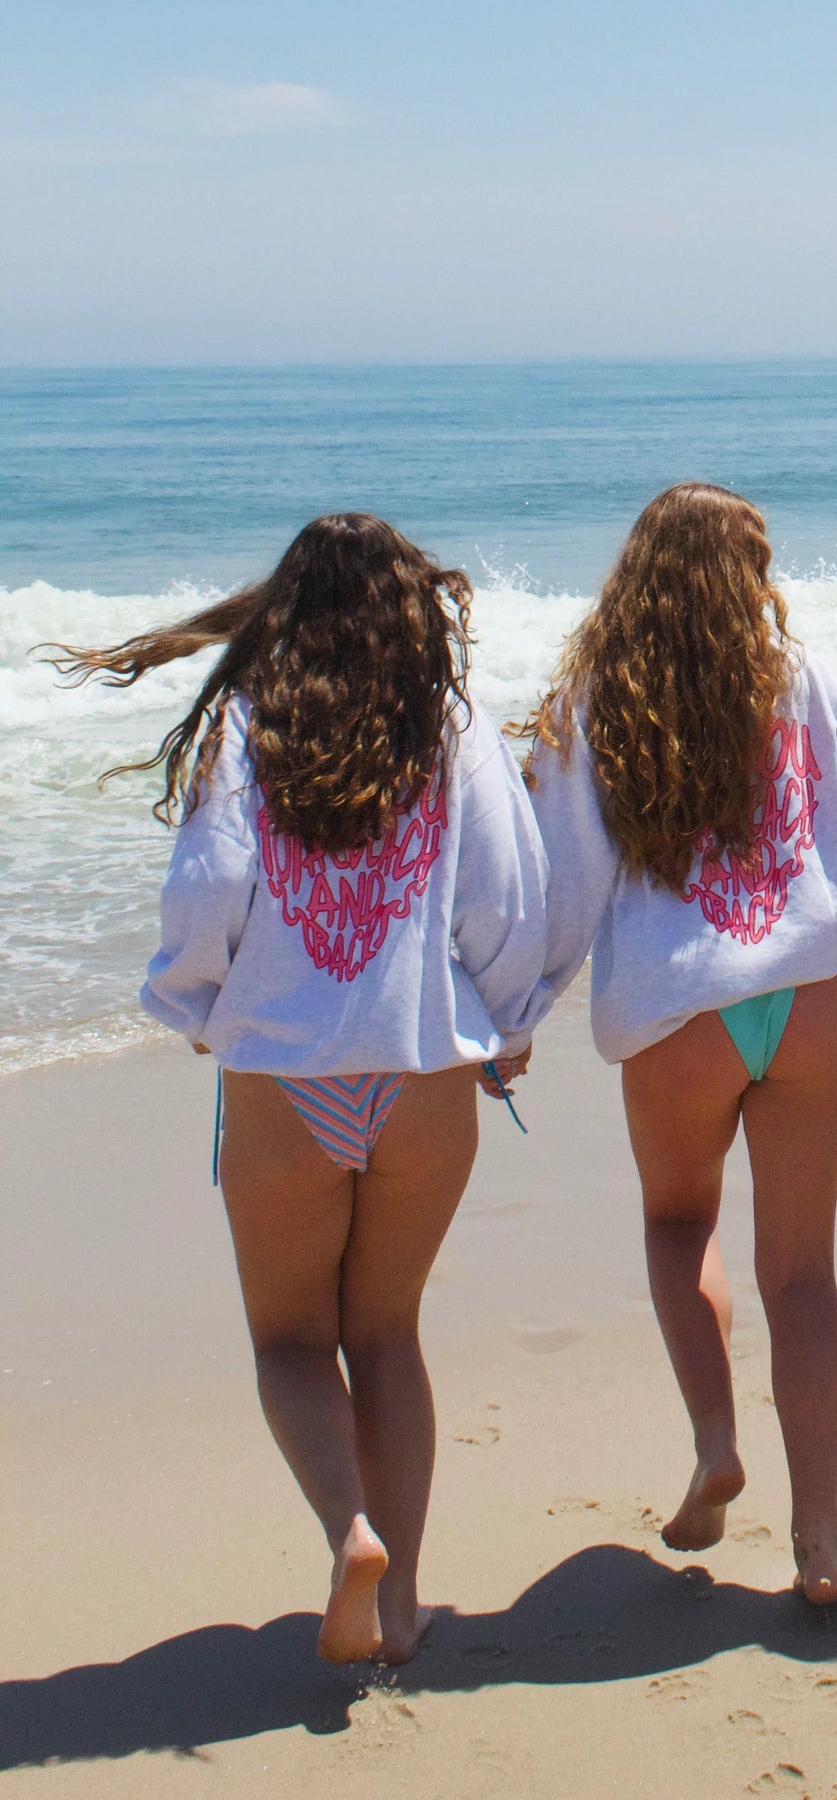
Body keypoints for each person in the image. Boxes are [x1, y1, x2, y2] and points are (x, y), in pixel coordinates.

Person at [53, 513, 550, 1664]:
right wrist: (509, 1022)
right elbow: (508, 892)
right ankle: (402, 1601)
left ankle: (349, 1534)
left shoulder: (250, 722)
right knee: (387, 1333)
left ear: (289, 610)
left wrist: (194, 1005)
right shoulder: (449, 725)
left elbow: (210, 883)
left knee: (289, 1340)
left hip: (286, 1077)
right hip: (420, 1070)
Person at [523, 482, 837, 1606]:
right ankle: (820, 1542)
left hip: (682, 1012)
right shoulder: (801, 678)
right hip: (808, 999)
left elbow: (564, 883)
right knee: (804, 1273)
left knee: (678, 1223)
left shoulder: (597, 697)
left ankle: (715, 1442)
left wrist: (514, 1012)